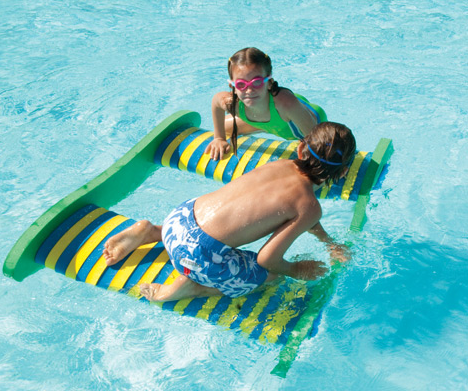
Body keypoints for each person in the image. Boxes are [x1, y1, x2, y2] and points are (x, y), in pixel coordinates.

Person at [103, 121, 356, 301]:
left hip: (178, 220)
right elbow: (266, 259)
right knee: (269, 278)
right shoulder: (310, 207)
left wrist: (328, 242)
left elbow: (302, 218)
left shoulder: (281, 164)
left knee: (210, 224)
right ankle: (191, 288)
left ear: (300, 149)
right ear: (342, 172)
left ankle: (149, 231)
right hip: (195, 260)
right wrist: (296, 269)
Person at [205, 47, 322, 160]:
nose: (249, 90)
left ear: (269, 82)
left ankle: (273, 124)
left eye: (256, 83)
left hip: (305, 118)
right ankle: (268, 125)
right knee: (225, 126)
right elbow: (216, 101)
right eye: (241, 84)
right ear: (233, 86)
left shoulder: (286, 104)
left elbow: (316, 138)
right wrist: (219, 138)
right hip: (274, 117)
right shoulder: (230, 102)